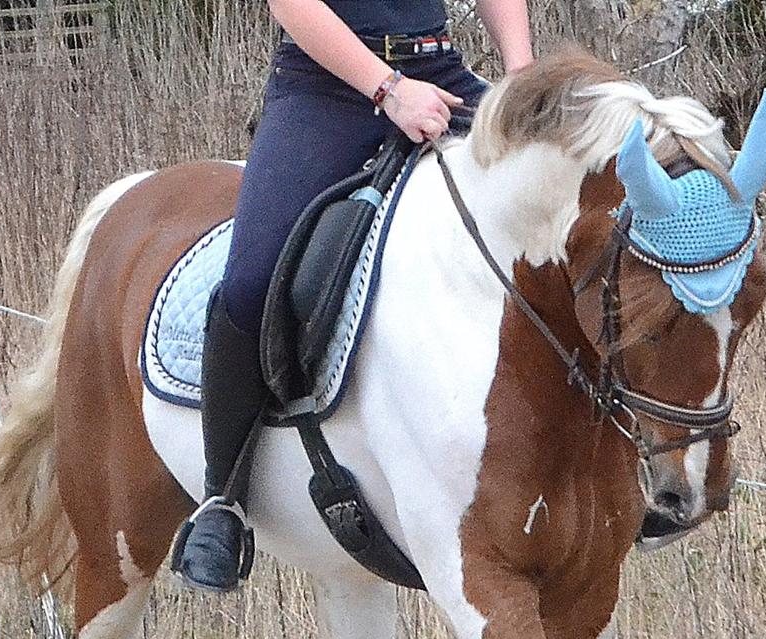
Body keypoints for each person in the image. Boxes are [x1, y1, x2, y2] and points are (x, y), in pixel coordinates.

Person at [175, 0, 534, 592]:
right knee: (250, 283)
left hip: (442, 76)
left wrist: (519, 73)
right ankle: (223, 502)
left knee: (569, 215)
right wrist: (389, 90)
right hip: (325, 92)